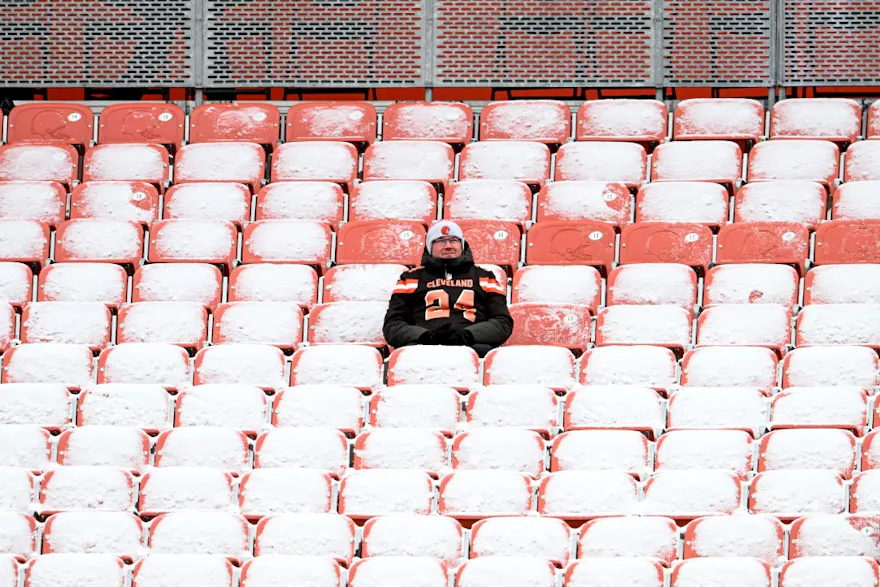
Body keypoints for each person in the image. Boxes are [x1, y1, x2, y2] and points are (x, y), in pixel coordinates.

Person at [382, 220, 513, 357]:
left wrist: (468, 335)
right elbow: (393, 325)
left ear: (461, 245)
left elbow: (502, 323)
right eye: (441, 241)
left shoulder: (485, 277)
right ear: (429, 247)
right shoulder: (410, 278)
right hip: (423, 349)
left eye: (453, 240)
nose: (448, 246)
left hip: (474, 348)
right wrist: (425, 336)